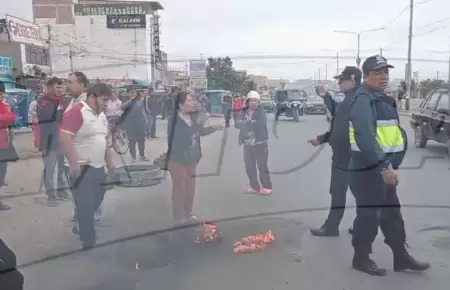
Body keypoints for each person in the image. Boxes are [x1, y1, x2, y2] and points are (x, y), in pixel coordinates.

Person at [349, 55, 430, 276]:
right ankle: (361, 258)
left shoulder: (381, 98)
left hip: (384, 170)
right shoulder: (364, 99)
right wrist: (384, 166)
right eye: (378, 72)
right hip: (368, 170)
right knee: (369, 217)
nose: (384, 76)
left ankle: (400, 257)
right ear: (366, 76)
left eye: (386, 72)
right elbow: (365, 138)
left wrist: (390, 166)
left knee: (392, 215)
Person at [60, 83, 114, 249]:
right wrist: (74, 163)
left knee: (97, 198)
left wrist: (110, 164)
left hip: (98, 167)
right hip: (82, 167)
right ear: (92, 97)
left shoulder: (102, 115)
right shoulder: (77, 111)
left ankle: (82, 223)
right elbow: (65, 137)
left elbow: (104, 140)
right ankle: (88, 239)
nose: (106, 103)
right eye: (104, 100)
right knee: (85, 204)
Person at [308, 66, 361, 237]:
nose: (339, 82)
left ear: (352, 79)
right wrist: (326, 97)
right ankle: (363, 223)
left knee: (340, 191)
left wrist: (323, 139)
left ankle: (333, 227)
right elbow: (338, 117)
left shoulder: (357, 100)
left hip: (349, 156)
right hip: (348, 155)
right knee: (356, 192)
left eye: (342, 79)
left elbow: (343, 130)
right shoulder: (351, 99)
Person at [166, 91, 222, 224]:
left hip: (192, 158)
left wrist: (214, 127)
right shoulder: (173, 120)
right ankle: (178, 216)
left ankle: (188, 213)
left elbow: (198, 132)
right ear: (180, 105)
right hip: (178, 159)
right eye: (189, 101)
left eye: (193, 100)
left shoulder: (191, 118)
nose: (193, 103)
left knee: (191, 187)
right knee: (180, 188)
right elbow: (180, 137)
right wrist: (198, 124)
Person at [37, 77, 71, 206]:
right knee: (49, 169)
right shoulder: (43, 101)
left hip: (62, 140)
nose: (61, 90)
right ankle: (51, 195)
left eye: (62, 87)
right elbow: (49, 117)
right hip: (48, 141)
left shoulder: (63, 101)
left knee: (63, 169)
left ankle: (61, 191)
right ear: (50, 87)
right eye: (58, 87)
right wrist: (61, 107)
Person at [236, 91, 272, 195]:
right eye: (251, 100)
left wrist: (245, 123)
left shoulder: (261, 112)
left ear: (258, 102)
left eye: (255, 101)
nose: (253, 102)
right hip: (247, 144)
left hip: (260, 143)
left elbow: (260, 124)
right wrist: (248, 123)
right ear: (247, 101)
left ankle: (267, 187)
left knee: (262, 166)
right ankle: (254, 187)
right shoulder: (243, 112)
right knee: (249, 166)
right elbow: (237, 124)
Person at [0, 82, 18, 211]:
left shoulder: (4, 104)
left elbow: (12, 117)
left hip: (3, 145)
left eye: (2, 93)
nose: (1, 96)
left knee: (2, 173)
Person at [121, 91, 148, 162]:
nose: (133, 94)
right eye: (131, 93)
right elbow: (122, 107)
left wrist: (145, 120)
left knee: (141, 141)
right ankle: (133, 157)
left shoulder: (140, 101)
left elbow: (142, 110)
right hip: (130, 124)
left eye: (135, 93)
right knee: (132, 141)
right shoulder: (128, 102)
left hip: (140, 123)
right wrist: (131, 100)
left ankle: (142, 155)